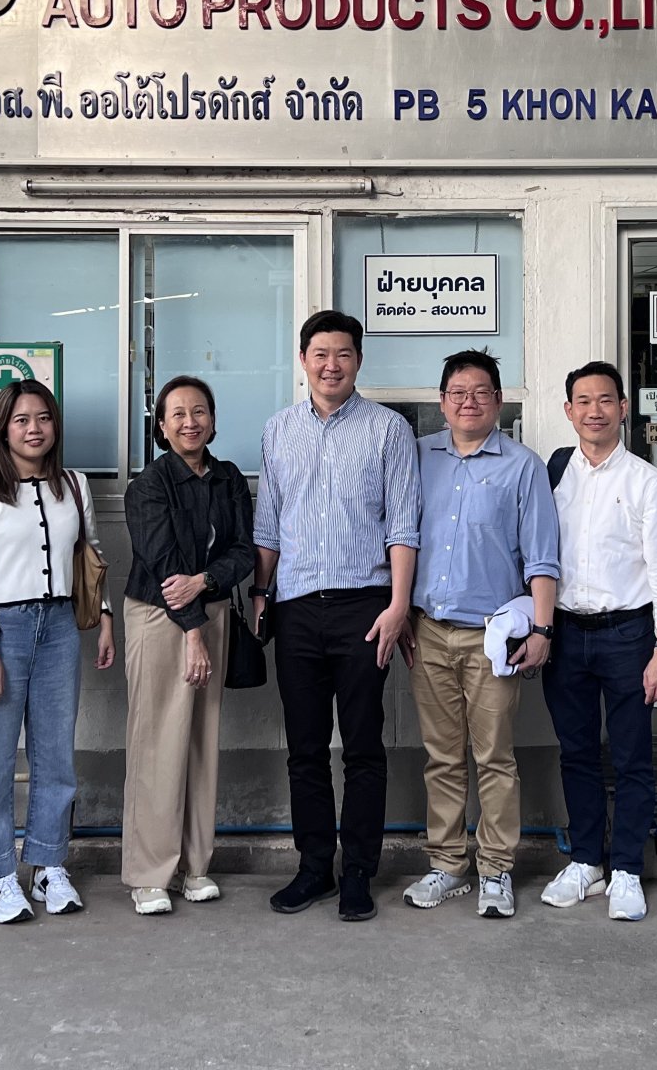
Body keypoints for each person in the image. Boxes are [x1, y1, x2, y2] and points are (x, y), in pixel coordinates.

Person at [252, 309, 420, 922]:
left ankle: (358, 873)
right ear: (303, 360)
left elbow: (403, 524)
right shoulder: (278, 430)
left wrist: (398, 605)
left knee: (363, 747)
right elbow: (269, 524)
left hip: (364, 608)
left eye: (343, 354)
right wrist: (260, 593)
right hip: (295, 607)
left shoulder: (388, 430)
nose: (331, 365)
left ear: (358, 361)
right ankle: (314, 867)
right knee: (304, 748)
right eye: (320, 354)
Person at [403, 350, 560, 920]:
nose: (469, 402)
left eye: (481, 392)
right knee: (442, 757)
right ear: (442, 401)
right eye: (458, 392)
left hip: (492, 638)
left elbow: (542, 556)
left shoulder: (523, 466)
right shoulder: (417, 456)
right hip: (427, 631)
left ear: (498, 400)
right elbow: (398, 536)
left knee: (494, 756)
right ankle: (447, 865)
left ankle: (496, 870)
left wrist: (542, 628)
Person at [0, 379, 115, 925]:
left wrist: (105, 618)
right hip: (3, 630)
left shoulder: (74, 484)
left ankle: (48, 864)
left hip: (61, 626)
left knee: (56, 756)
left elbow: (90, 555)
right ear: (3, 429)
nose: (34, 429)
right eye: (21, 420)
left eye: (43, 418)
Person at [539, 361, 657, 922]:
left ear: (624, 408)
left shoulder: (648, 482)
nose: (594, 410)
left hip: (628, 633)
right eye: (583, 401)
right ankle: (585, 861)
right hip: (565, 633)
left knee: (631, 756)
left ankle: (625, 867)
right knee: (576, 752)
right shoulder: (554, 474)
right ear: (568, 410)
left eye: (605, 400)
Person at [120, 375, 256, 915]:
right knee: (158, 741)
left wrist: (206, 582)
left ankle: (194, 866)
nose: (189, 422)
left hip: (211, 610)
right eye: (177, 414)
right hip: (160, 617)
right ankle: (149, 874)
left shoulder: (228, 479)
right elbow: (163, 564)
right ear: (161, 426)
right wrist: (193, 630)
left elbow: (243, 551)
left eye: (198, 411)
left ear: (213, 421)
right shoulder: (148, 485)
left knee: (201, 742)